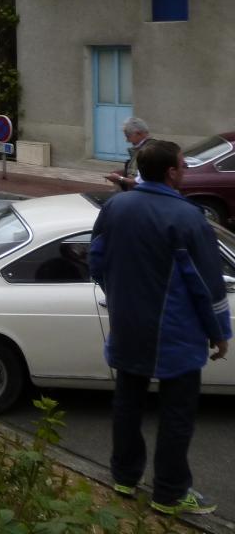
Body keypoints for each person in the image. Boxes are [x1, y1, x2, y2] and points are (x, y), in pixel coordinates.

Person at [90, 139, 231, 516]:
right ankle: (169, 494)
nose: (185, 170)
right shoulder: (188, 219)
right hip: (174, 334)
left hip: (127, 326)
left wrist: (117, 295)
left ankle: (123, 477)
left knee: (127, 405)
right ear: (171, 172)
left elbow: (96, 258)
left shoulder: (116, 206)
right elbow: (206, 285)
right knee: (176, 415)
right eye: (183, 166)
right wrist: (220, 332)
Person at [105, 116, 150, 191]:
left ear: (138, 133)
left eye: (128, 136)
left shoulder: (148, 151)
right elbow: (138, 172)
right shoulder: (142, 149)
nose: (127, 140)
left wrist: (119, 178)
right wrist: (125, 171)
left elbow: (140, 183)